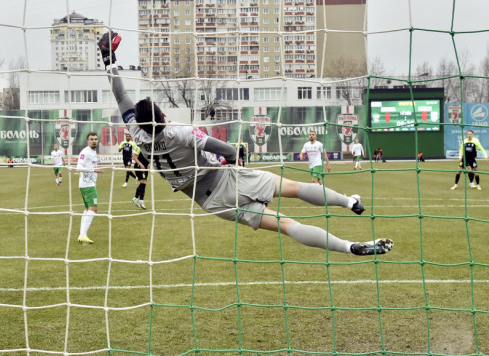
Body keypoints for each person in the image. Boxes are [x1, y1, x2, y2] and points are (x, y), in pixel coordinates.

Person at [98, 31, 393, 256]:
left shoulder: (136, 133)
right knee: (296, 189)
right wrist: (234, 156)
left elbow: (120, 95)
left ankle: (349, 246)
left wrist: (108, 60)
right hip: (225, 179)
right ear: (162, 115)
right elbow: (223, 148)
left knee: (286, 225)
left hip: (208, 202)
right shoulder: (180, 132)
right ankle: (349, 201)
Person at [76, 132, 105, 244]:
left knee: (88, 209)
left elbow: (89, 166)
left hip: (88, 184)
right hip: (87, 185)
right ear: (87, 141)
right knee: (93, 209)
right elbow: (78, 167)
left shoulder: (93, 152)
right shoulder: (85, 152)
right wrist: (94, 170)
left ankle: (83, 235)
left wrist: (96, 170)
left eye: (96, 139)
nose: (94, 141)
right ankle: (83, 235)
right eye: (91, 139)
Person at [131, 144, 150, 210]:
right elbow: (134, 156)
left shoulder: (148, 147)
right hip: (139, 167)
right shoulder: (138, 147)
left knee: (144, 184)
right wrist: (141, 164)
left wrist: (149, 163)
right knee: (143, 182)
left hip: (145, 167)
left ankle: (137, 199)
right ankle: (139, 200)